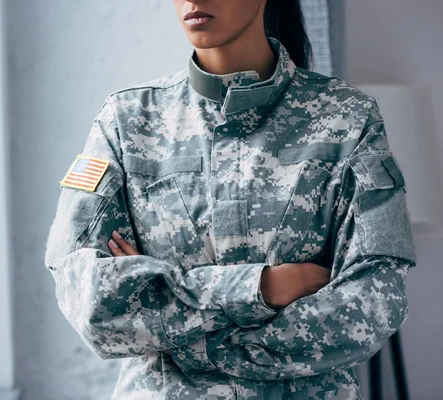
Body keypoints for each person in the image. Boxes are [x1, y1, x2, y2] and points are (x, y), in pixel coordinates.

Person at [44, 0, 417, 398]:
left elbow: (373, 304)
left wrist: (176, 331)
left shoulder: (348, 118)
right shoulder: (125, 122)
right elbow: (90, 302)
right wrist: (262, 288)